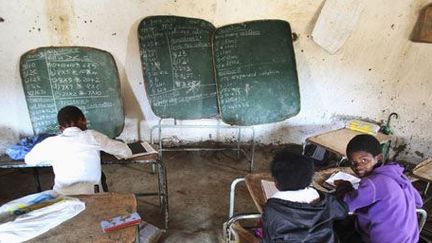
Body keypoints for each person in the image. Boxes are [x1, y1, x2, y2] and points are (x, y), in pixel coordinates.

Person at [25, 105, 132, 194]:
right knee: (101, 177)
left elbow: (29, 160)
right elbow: (126, 152)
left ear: (60, 128)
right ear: (84, 121)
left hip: (62, 197)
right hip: (92, 194)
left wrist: (53, 158)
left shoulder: (50, 143)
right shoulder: (93, 136)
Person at [335, 134, 423, 243]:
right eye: (353, 163)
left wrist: (344, 186)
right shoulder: (398, 174)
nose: (358, 166)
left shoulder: (372, 183)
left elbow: (346, 205)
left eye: (364, 160)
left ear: (379, 158)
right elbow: (418, 202)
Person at [262, 150, 348, 243]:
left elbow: (269, 237)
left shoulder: (272, 209)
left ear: (276, 182)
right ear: (310, 179)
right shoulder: (324, 199)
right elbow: (342, 212)